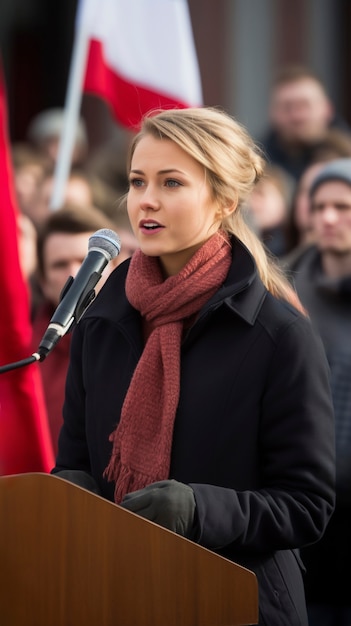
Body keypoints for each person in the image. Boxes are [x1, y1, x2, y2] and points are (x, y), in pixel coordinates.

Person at [52, 107, 335, 626]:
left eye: (172, 182)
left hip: (236, 604)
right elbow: (75, 458)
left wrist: (200, 510)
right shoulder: (101, 320)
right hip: (113, 595)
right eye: (138, 182)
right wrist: (70, 489)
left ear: (225, 200)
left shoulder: (279, 334)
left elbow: (307, 504)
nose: (146, 200)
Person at [284, 158, 351, 626]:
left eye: (343, 207)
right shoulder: (281, 290)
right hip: (302, 504)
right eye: (320, 206)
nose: (327, 218)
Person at [31, 204, 133, 455]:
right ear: (43, 282)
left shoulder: (141, 343)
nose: (76, 274)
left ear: (116, 267)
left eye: (87, 262)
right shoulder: (22, 359)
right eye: (60, 264)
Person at [260, 65, 351, 181]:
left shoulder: (347, 157)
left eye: (304, 105)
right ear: (272, 113)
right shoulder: (257, 165)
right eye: (287, 107)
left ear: (327, 109)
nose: (296, 116)